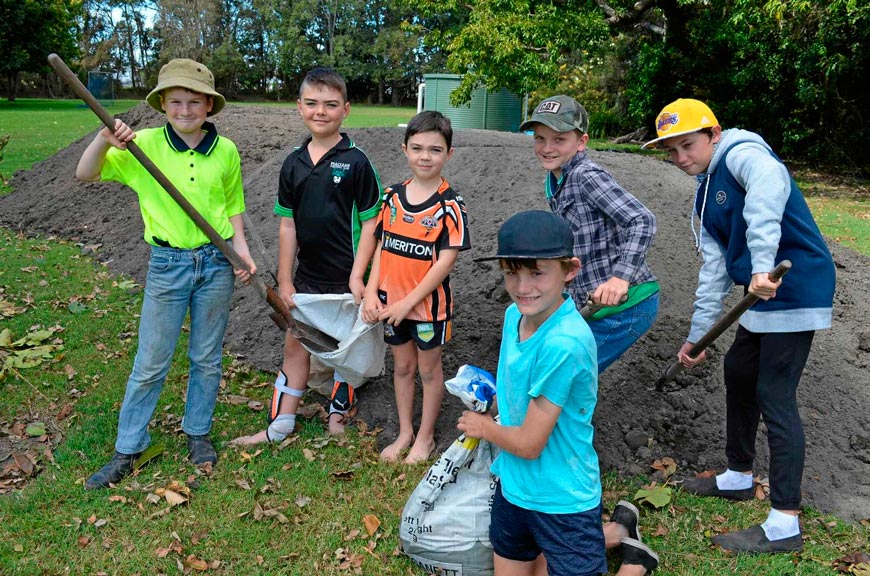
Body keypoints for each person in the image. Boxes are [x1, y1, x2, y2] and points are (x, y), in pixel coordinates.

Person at [643, 98, 835, 553]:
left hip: (793, 283)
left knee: (774, 393)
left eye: (687, 145)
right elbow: (713, 266)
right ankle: (738, 476)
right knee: (739, 371)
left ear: (713, 133)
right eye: (672, 151)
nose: (680, 158)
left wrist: (763, 266)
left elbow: (771, 187)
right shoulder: (705, 193)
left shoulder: (743, 155)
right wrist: (698, 333)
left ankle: (785, 523)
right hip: (760, 289)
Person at [76, 58, 256, 489]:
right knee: (151, 361)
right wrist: (105, 139)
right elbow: (85, 173)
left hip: (215, 265)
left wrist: (240, 254)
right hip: (168, 266)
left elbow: (233, 210)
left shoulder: (226, 150)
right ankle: (129, 446)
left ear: (209, 106)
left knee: (207, 358)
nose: (185, 110)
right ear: (163, 105)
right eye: (176, 101)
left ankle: (197, 432)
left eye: (194, 102)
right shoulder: (143, 145)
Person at [459, 210, 658, 575]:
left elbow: (531, 444)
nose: (522, 287)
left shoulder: (566, 343)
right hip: (513, 491)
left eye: (537, 272)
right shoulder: (512, 317)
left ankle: (636, 565)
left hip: (562, 500)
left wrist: (483, 427)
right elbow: (512, 386)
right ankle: (617, 531)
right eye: (511, 273)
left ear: (570, 270)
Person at [232, 67, 382, 444]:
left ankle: (338, 414)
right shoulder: (293, 163)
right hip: (307, 276)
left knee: (345, 349)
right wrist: (285, 280)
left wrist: (359, 277)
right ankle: (281, 423)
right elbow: (288, 227)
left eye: (330, 105)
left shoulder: (357, 162)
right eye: (312, 103)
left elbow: (371, 224)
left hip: (348, 277)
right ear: (299, 107)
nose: (321, 112)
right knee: (295, 344)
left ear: (346, 109)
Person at [520, 96, 659, 374]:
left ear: (581, 141)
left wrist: (620, 279)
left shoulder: (586, 176)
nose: (547, 148)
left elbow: (642, 219)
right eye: (540, 138)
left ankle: (547, 418)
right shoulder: (557, 179)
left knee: (564, 376)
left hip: (625, 307)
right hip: (592, 303)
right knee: (553, 372)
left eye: (559, 140)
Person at [362, 111, 470, 464]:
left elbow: (444, 263)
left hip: (427, 310)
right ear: (404, 149)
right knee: (402, 368)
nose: (425, 156)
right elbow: (382, 247)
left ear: (449, 154)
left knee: (428, 370)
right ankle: (405, 432)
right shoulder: (391, 197)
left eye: (435, 150)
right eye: (418, 148)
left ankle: (425, 438)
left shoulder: (450, 206)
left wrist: (407, 303)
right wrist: (370, 291)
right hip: (390, 306)